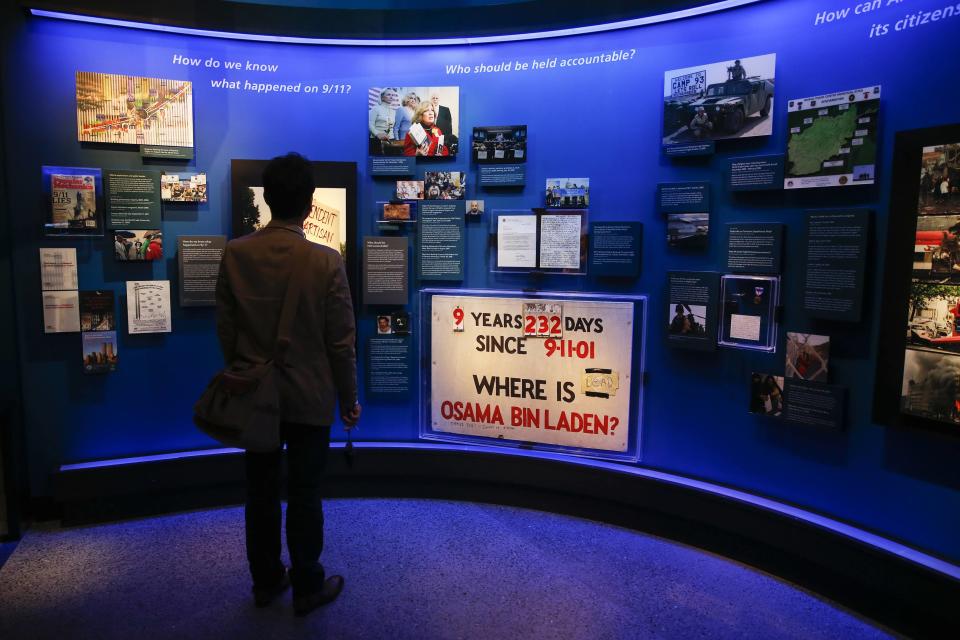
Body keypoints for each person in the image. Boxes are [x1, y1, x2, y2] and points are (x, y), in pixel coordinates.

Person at [216, 152, 361, 617]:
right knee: (304, 492)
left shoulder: (236, 254)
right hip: (310, 396)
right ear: (309, 201)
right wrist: (349, 400)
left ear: (266, 197)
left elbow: (227, 330)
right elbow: (341, 342)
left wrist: (246, 372)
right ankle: (306, 586)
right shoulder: (326, 261)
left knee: (259, 491)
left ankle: (265, 581)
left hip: (255, 396)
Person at [368, 88, 398, 154]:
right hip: (376, 140)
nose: (391, 97)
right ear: (382, 97)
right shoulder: (375, 108)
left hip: (391, 140)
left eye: (392, 95)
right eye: (389, 94)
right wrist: (377, 134)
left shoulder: (394, 111)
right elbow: (370, 123)